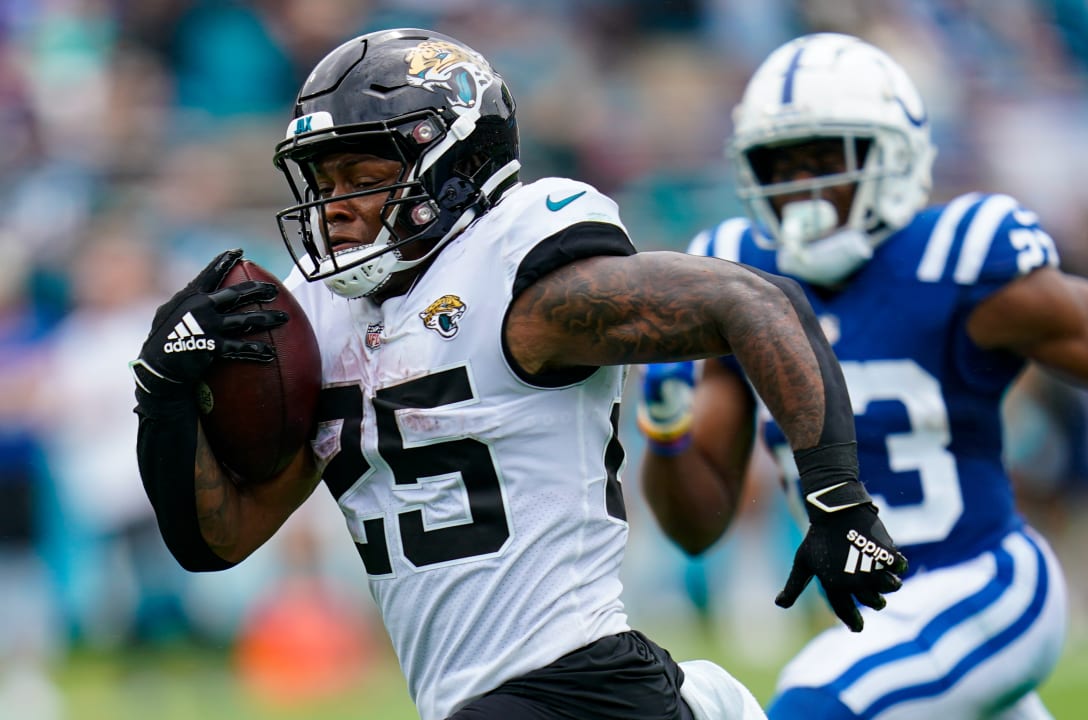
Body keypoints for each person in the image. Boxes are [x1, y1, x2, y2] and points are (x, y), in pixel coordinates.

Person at [127, 28, 909, 720]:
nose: (334, 208)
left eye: (361, 175)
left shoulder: (519, 281)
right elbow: (216, 541)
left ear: (451, 166)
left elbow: (758, 302)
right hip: (483, 699)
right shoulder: (320, 319)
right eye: (322, 184)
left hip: (581, 680)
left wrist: (837, 500)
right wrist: (161, 395)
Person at [639, 33, 1088, 719]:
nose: (799, 185)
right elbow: (695, 529)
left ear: (892, 158)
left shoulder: (957, 259)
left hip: (984, 581)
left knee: (816, 702)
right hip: (881, 618)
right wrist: (666, 422)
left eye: (825, 158)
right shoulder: (738, 283)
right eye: (780, 163)